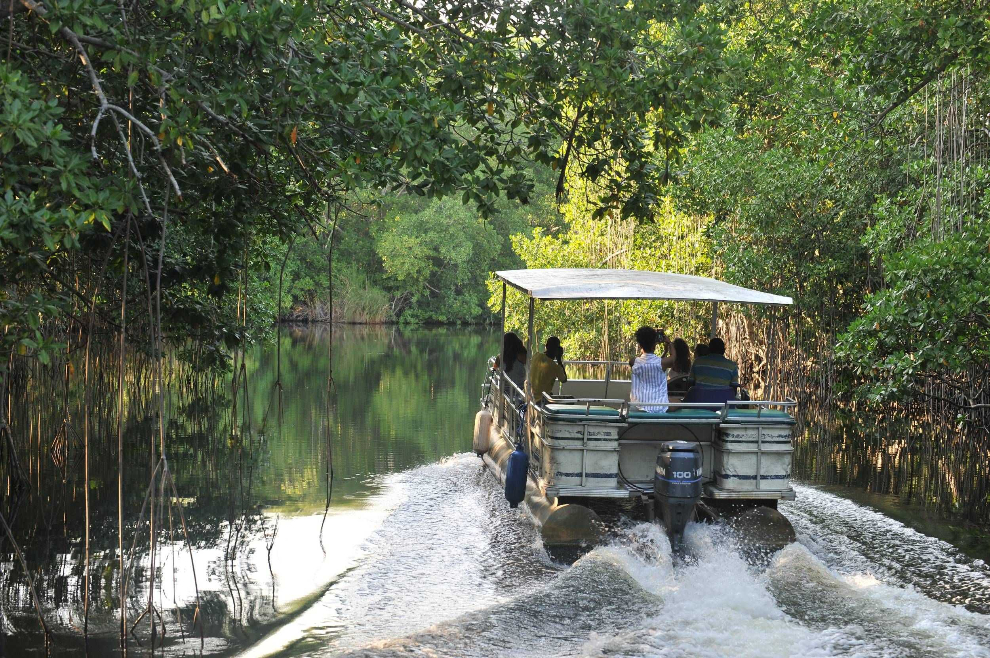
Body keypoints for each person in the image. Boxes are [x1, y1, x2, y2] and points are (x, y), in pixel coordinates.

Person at [628, 326, 669, 413]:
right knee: (678, 401)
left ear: (640, 345)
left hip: (638, 406)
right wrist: (669, 343)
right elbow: (673, 358)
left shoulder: (633, 362)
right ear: (654, 344)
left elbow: (643, 360)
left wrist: (647, 345)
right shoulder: (662, 363)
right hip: (658, 406)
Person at [529, 336, 568, 403]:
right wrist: (559, 359)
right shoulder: (555, 367)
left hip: (528, 395)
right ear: (558, 350)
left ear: (546, 346)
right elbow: (564, 380)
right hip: (541, 400)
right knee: (570, 399)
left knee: (551, 394)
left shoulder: (536, 356)